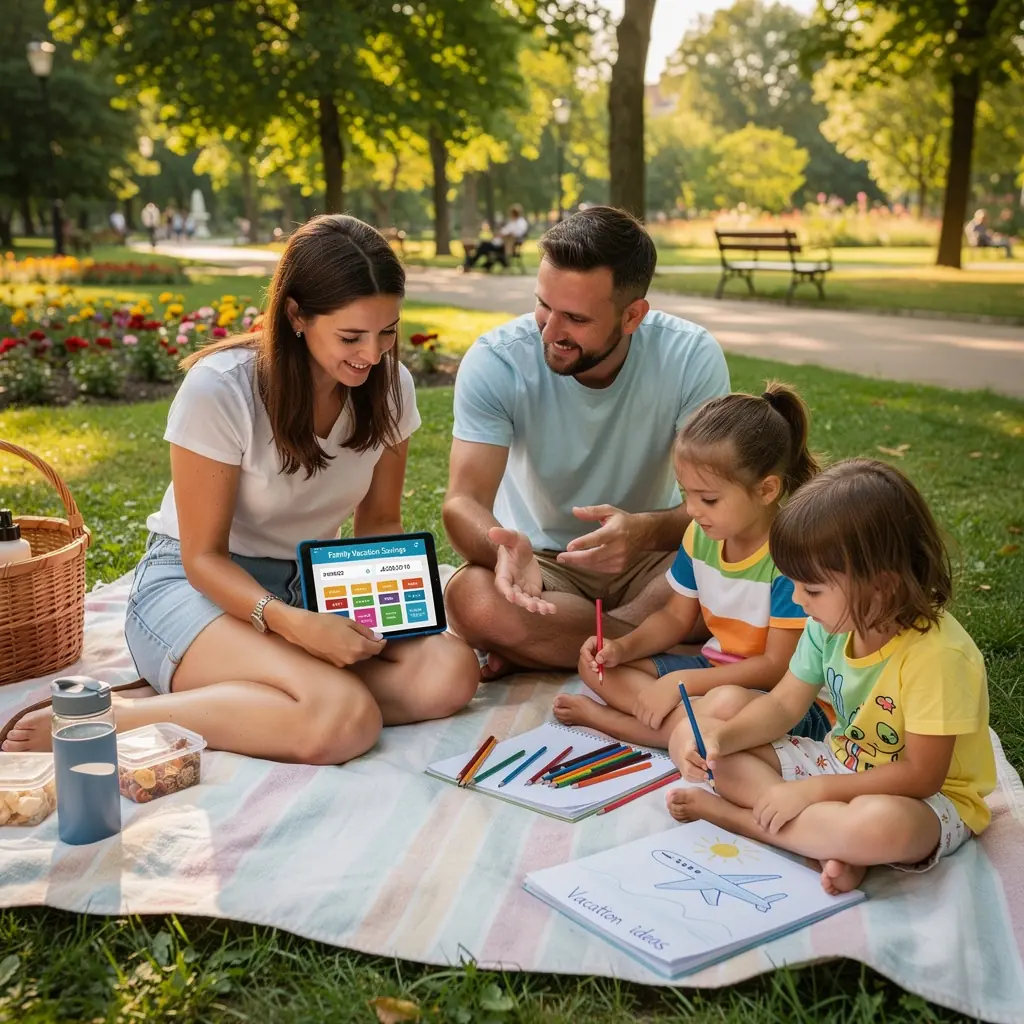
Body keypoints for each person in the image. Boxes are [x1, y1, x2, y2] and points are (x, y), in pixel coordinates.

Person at [2, 215, 479, 762]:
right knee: (344, 719)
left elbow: (378, 525)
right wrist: (294, 626)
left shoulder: (390, 386)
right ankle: (123, 718)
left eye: (387, 331)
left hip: (307, 586)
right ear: (297, 314)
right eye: (351, 336)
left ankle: (262, 701)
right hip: (194, 586)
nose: (372, 355)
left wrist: (389, 608)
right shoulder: (221, 388)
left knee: (451, 671)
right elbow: (203, 557)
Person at [668, 459, 996, 895]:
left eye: (814, 590)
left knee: (881, 828)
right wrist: (722, 740)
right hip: (839, 761)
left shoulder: (939, 657)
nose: (799, 600)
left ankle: (744, 820)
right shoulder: (828, 627)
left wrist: (811, 792)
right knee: (717, 756)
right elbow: (783, 705)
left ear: (881, 586)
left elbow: (921, 777)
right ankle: (829, 844)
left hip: (927, 800)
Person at [443, 205, 731, 680]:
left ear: (632, 315)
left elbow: (719, 504)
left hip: (655, 562)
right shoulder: (498, 360)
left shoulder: (690, 356)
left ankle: (570, 648)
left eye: (575, 318)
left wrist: (641, 531)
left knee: (746, 575)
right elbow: (462, 501)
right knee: (471, 600)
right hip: (541, 565)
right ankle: (646, 645)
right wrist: (504, 553)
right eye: (543, 305)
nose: (550, 332)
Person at [557, 382, 832, 748]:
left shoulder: (790, 558)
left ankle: (615, 722)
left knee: (724, 707)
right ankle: (684, 726)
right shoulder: (701, 537)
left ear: (766, 490)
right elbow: (674, 619)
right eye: (686, 494)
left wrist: (680, 684)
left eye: (709, 499)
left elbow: (774, 667)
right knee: (596, 667)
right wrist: (623, 648)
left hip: (778, 696)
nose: (691, 510)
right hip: (714, 672)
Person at [463, 204, 530, 271]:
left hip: (504, 246)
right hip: (499, 243)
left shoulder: (520, 223)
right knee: (482, 246)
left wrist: (502, 235)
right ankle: (482, 264)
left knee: (483, 246)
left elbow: (516, 234)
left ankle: (470, 264)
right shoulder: (513, 222)